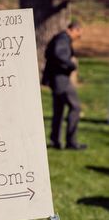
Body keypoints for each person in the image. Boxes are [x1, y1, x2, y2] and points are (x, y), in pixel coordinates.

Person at [42, 21, 87, 150]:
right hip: (61, 79)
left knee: (59, 110)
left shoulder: (59, 38)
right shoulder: (63, 38)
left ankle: (55, 140)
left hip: (56, 78)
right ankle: (71, 142)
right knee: (75, 107)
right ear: (74, 30)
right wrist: (71, 64)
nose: (78, 38)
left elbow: (49, 54)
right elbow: (58, 54)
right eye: (78, 35)